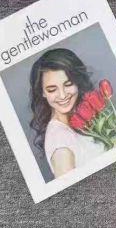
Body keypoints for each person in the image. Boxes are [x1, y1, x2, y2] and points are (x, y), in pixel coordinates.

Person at [29, 48, 109, 178]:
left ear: (78, 82)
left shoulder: (80, 119)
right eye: (52, 89)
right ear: (42, 92)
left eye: (68, 84)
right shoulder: (60, 143)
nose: (62, 95)